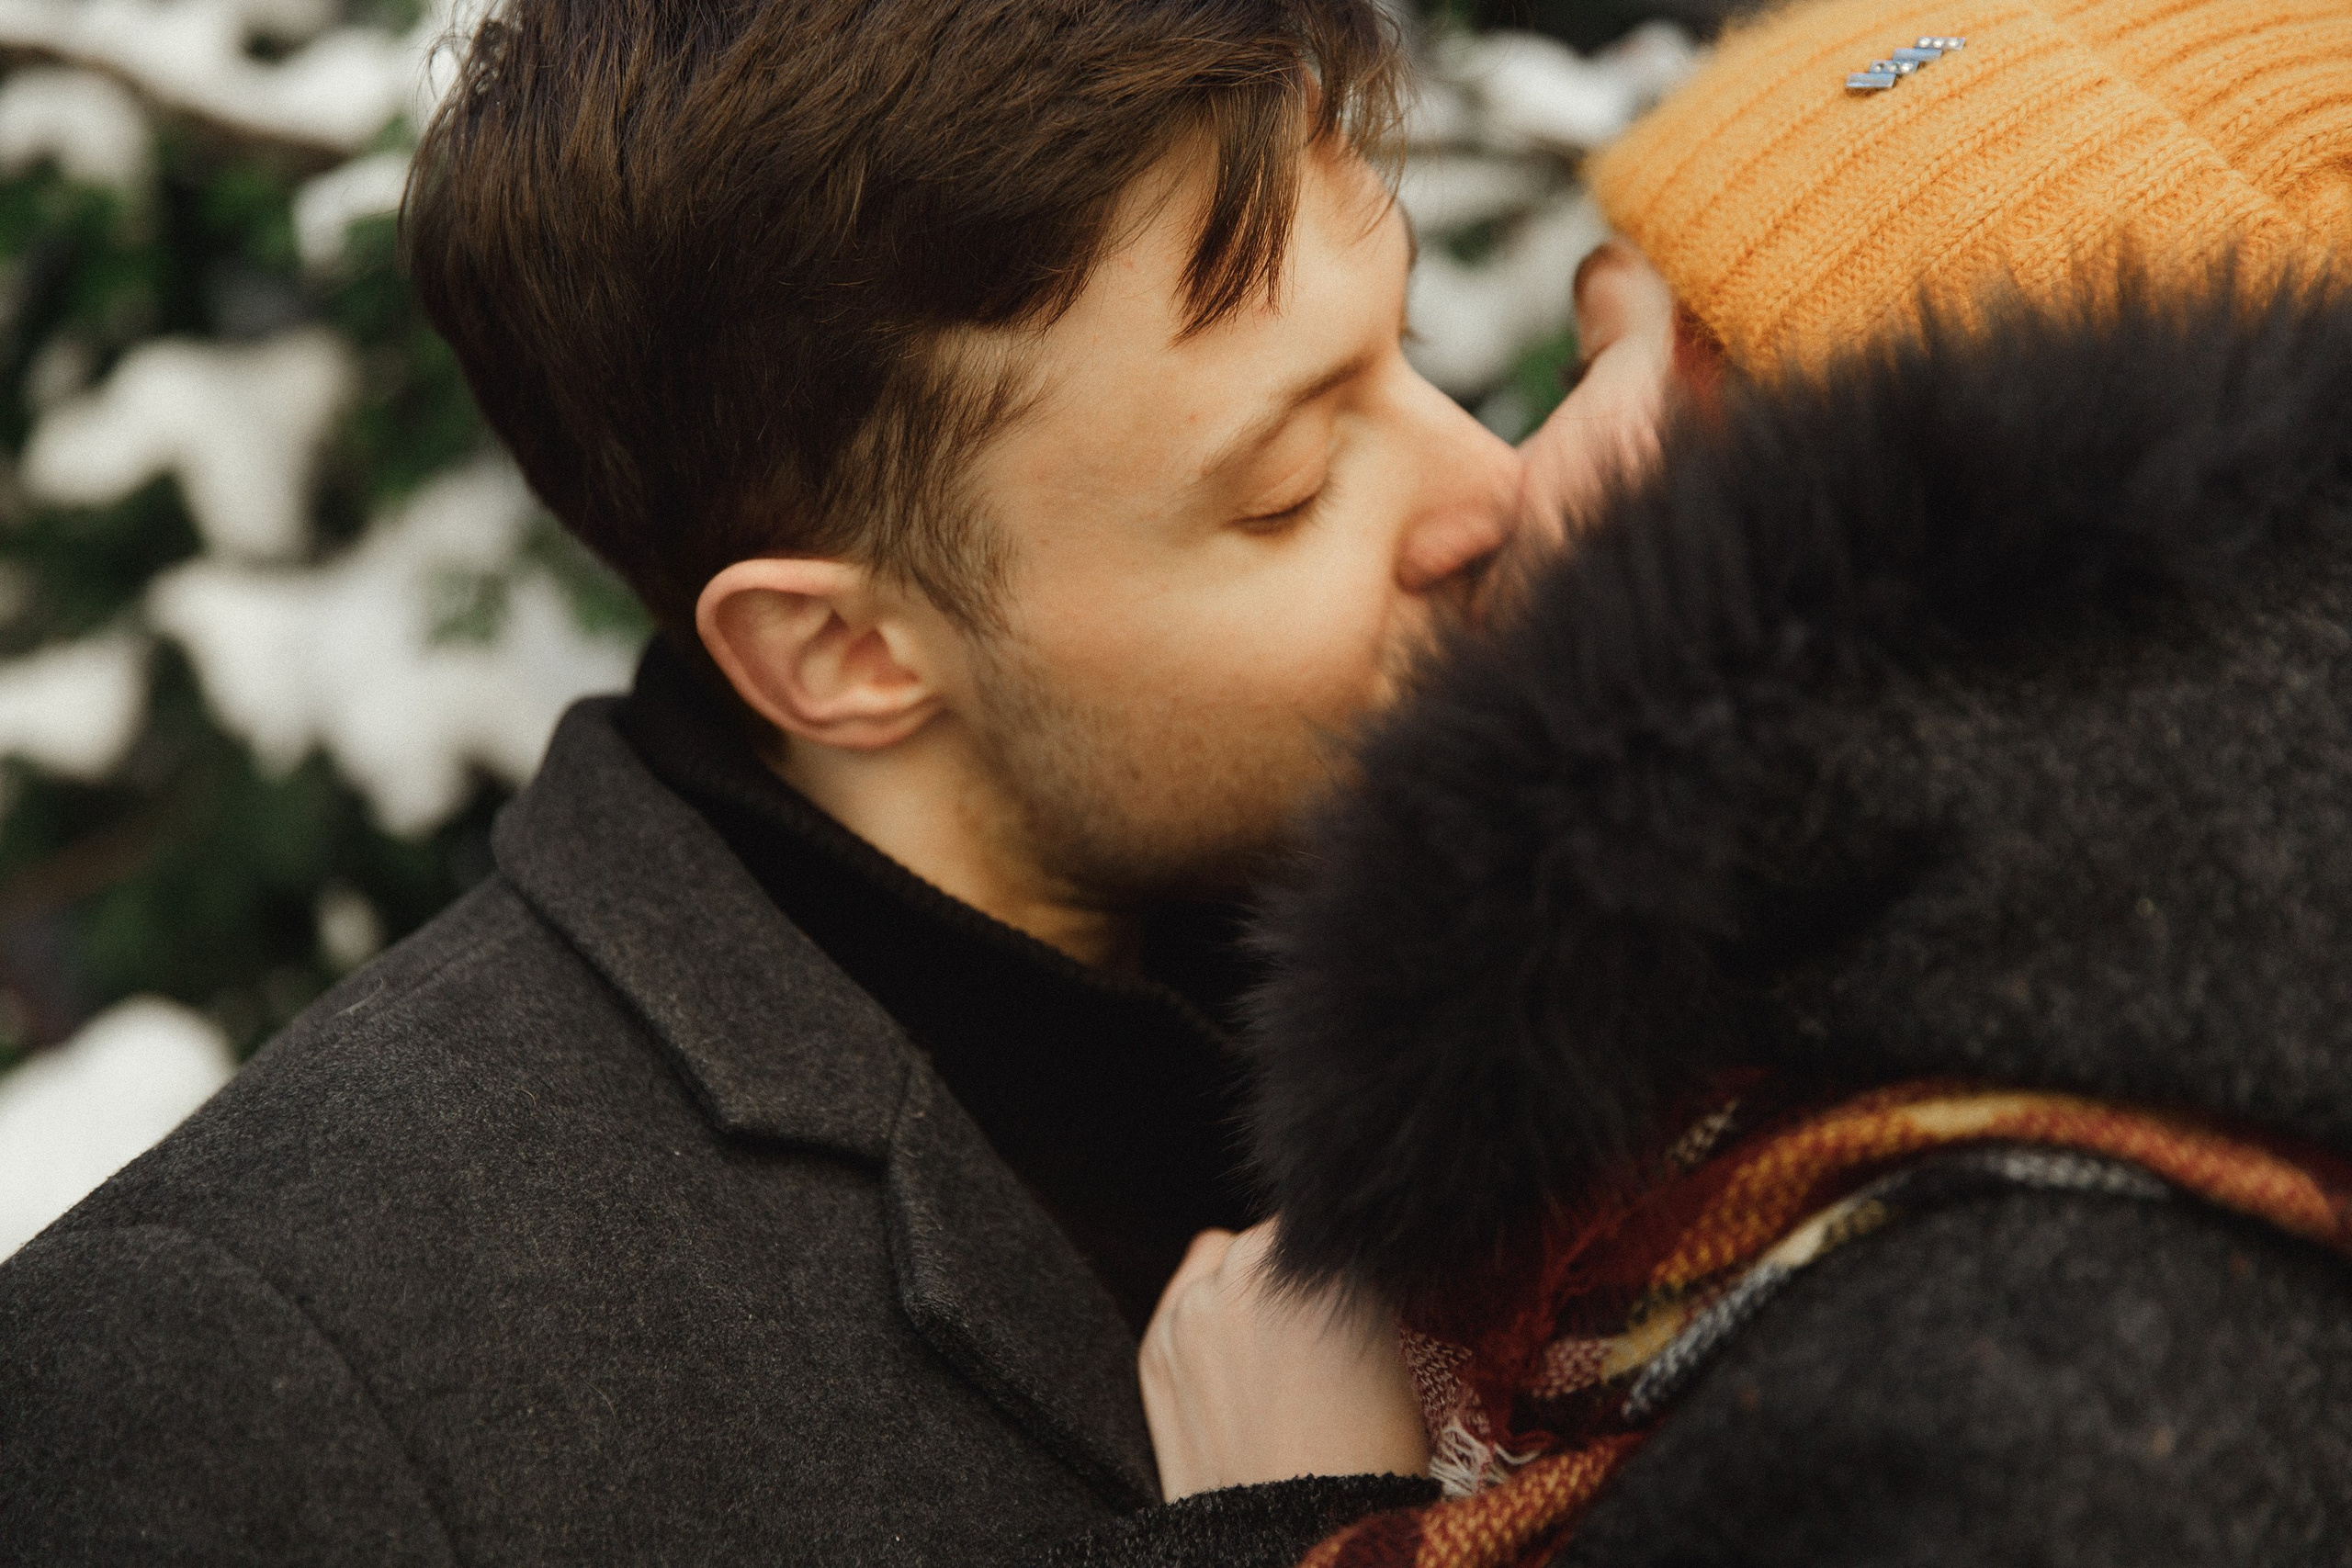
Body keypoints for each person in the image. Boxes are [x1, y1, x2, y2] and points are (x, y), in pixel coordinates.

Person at [0, 1, 1559, 1561]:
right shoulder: (254, 1368)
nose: (1490, 487)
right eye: (1287, 490)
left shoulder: (1539, 973)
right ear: (838, 653)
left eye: (1402, 350)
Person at [1107, 0, 2352, 1563]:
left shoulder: (2050, 1384)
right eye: (1578, 343)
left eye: (1643, 367)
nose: (1508, 480)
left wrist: (1278, 1522)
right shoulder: (1833, 1171)